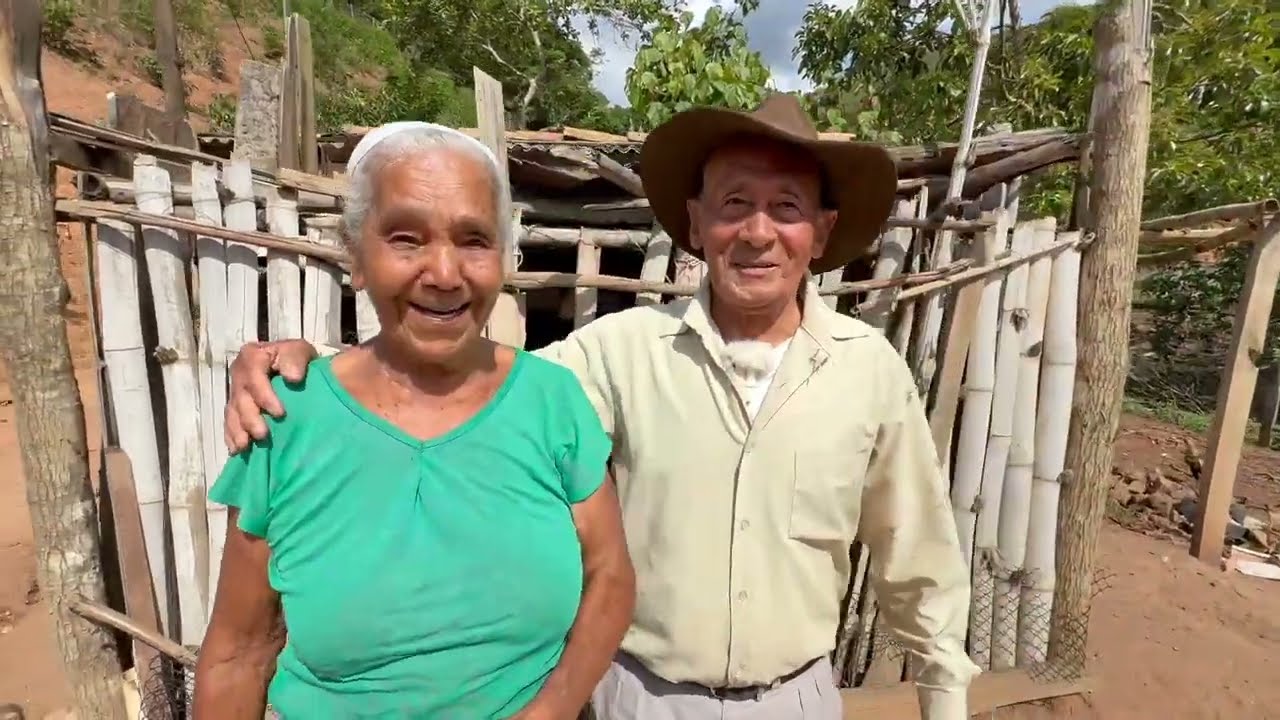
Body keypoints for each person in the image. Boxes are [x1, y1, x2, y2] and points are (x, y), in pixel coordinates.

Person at [221, 96, 980, 720]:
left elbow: (915, 548)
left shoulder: (869, 372)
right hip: (638, 698)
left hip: (797, 699)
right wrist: (311, 367)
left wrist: (944, 697)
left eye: (786, 208)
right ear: (696, 223)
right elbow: (462, 382)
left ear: (820, 232)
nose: (758, 232)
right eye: (734, 204)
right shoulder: (617, 353)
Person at [194, 122, 636, 720]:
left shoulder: (550, 401)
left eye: (474, 240)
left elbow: (610, 577)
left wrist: (550, 711)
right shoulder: (285, 419)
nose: (445, 273)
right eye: (407, 238)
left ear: (503, 259)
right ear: (356, 257)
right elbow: (239, 654)